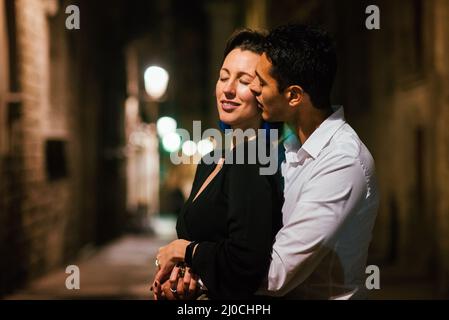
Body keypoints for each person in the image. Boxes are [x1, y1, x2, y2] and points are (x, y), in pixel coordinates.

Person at [248, 24, 379, 299]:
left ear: (294, 95)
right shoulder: (291, 147)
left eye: (261, 81)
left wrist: (198, 268)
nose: (253, 88)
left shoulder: (342, 161)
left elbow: (278, 273)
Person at [152, 29, 283, 300]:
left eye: (244, 81)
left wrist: (184, 251)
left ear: (264, 92)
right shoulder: (212, 159)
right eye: (224, 77)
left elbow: (245, 262)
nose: (228, 89)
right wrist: (182, 279)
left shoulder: (255, 156)